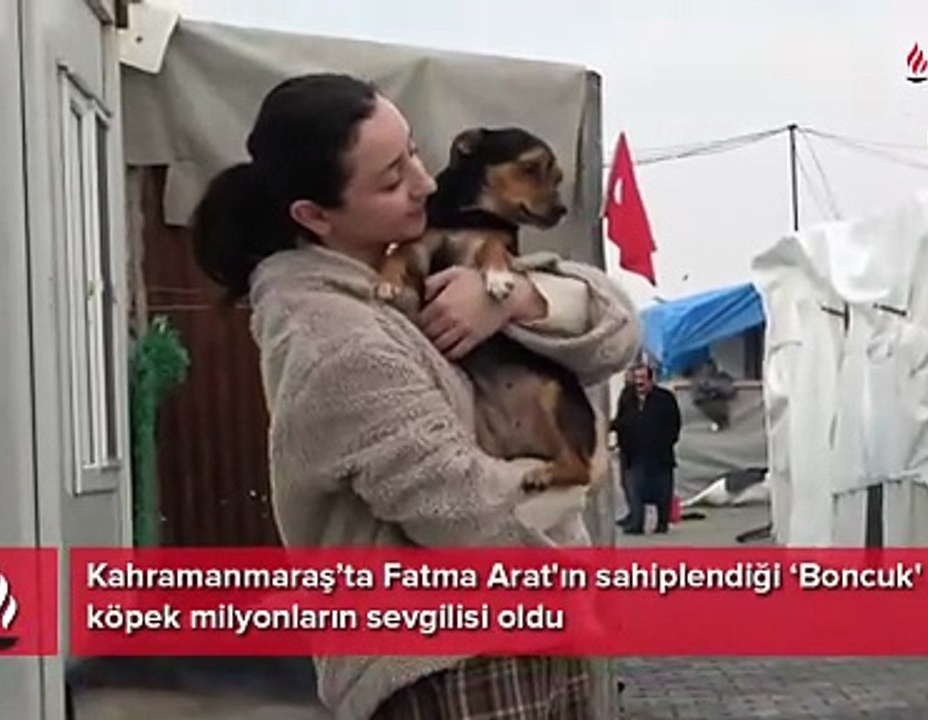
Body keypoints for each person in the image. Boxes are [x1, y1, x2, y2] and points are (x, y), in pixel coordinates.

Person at [189, 73, 639, 720]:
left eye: (414, 154)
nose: (424, 184)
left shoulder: (407, 272)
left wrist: (512, 296)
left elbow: (616, 329)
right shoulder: (336, 338)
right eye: (391, 180)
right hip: (455, 668)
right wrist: (579, 516)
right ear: (314, 215)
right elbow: (465, 510)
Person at [611, 363, 682, 534]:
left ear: (651, 380)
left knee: (662, 490)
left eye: (643, 378)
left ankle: (662, 523)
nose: (639, 383)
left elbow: (674, 423)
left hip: (659, 454)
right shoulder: (627, 398)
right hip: (633, 453)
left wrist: (667, 441)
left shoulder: (664, 398)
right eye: (636, 379)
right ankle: (636, 523)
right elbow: (622, 420)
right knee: (633, 489)